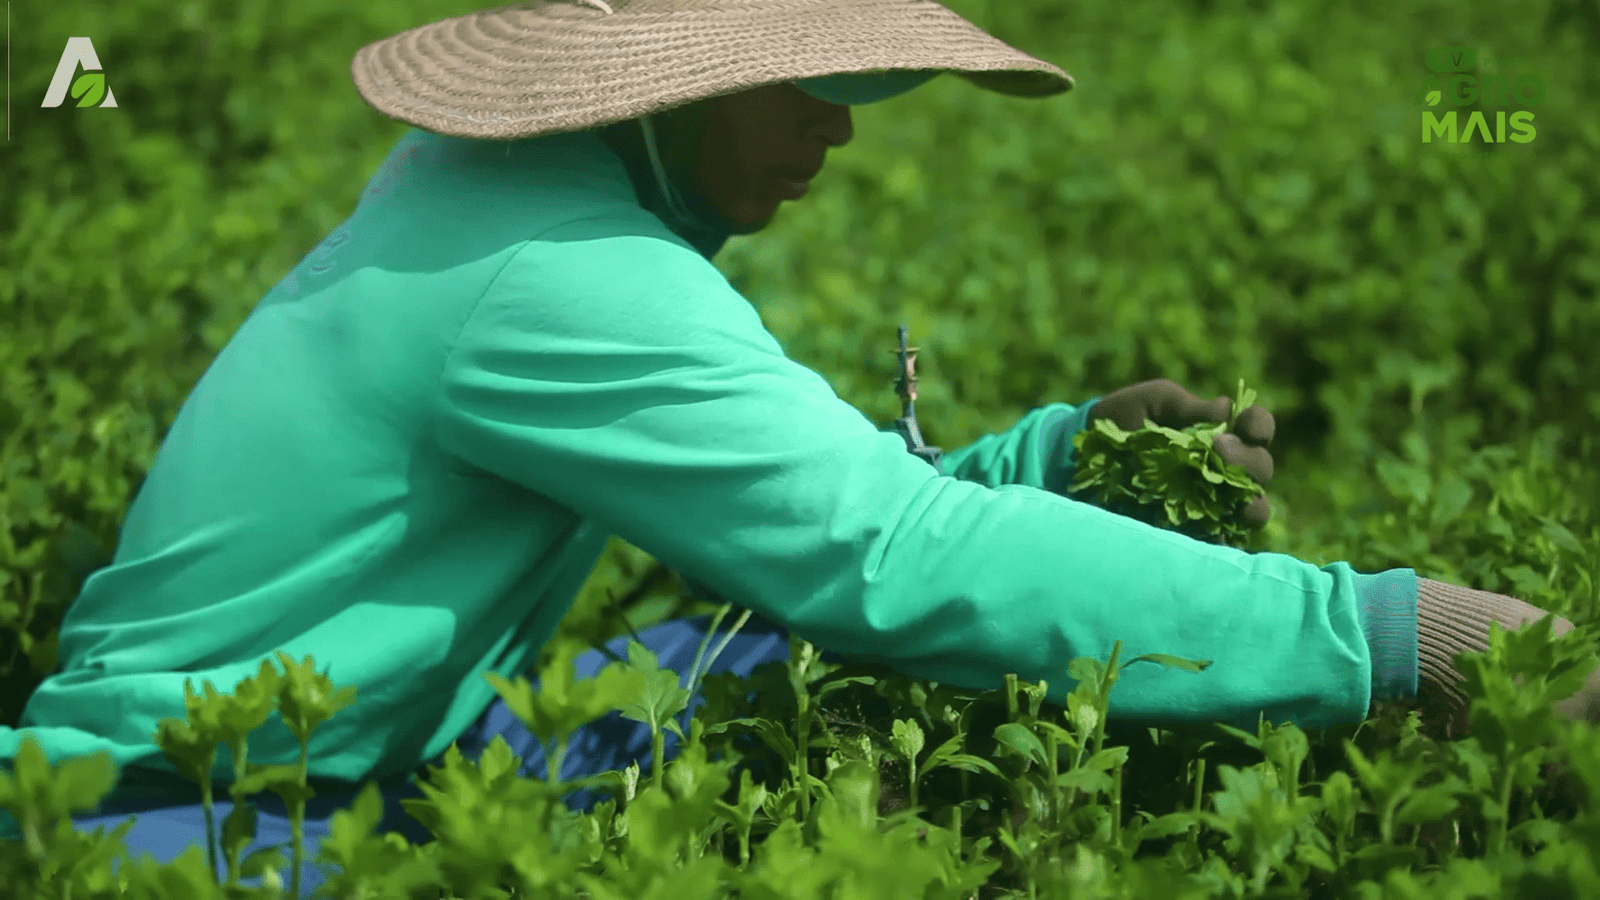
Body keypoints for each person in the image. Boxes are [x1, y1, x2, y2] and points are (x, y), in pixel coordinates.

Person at [2, 0, 1595, 893]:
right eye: (810, 80)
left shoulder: (494, 199)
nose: (842, 121)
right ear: (671, 84)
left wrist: (1048, 458)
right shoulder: (561, 278)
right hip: (177, 829)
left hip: (372, 758)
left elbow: (833, 519)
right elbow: (880, 562)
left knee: (758, 674)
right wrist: (1399, 637)